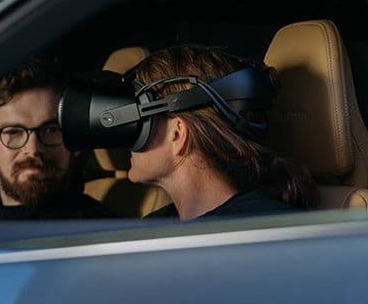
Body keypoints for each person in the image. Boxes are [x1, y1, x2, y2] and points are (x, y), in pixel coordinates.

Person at [129, 45, 318, 220]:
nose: (129, 131)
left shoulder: (262, 232)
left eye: (140, 121)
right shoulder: (156, 225)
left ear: (177, 134)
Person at [0, 57, 114, 221]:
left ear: (76, 138)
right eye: (13, 132)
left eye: (51, 130)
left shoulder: (98, 231)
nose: (33, 148)